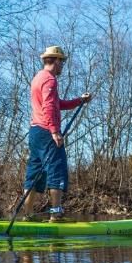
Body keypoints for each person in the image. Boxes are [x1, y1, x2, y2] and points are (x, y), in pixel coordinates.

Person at [22, 46, 93, 222]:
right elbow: (48, 107)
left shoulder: (38, 78)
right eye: (62, 61)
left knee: (35, 172)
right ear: (55, 60)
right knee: (57, 169)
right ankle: (56, 214)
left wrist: (79, 101)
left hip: (35, 132)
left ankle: (28, 215)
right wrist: (54, 131)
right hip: (47, 132)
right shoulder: (50, 80)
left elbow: (56, 104)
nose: (63, 65)